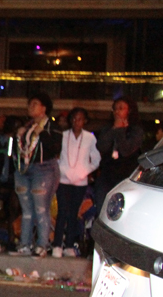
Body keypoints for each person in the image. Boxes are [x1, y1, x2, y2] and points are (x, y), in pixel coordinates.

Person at [12, 92, 61, 257]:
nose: (30, 107)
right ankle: (24, 244)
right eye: (29, 104)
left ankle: (42, 244)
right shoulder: (26, 127)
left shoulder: (52, 127)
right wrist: (19, 135)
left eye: (35, 104)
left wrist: (40, 133)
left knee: (41, 208)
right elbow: (16, 151)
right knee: (26, 209)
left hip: (44, 169)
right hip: (24, 170)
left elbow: (55, 149)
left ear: (44, 108)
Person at [53, 107, 100, 257]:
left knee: (74, 213)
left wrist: (84, 171)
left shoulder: (89, 138)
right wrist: (62, 169)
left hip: (80, 182)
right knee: (62, 211)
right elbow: (57, 155)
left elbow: (96, 158)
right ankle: (57, 245)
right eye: (74, 118)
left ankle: (69, 246)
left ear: (85, 121)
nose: (76, 122)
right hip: (63, 180)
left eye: (80, 119)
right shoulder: (63, 135)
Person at [94, 96, 145, 211]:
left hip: (126, 177)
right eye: (115, 109)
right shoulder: (108, 129)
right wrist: (114, 130)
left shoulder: (136, 130)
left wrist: (121, 130)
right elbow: (101, 146)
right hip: (107, 175)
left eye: (121, 108)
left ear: (129, 111)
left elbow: (126, 150)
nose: (117, 112)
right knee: (102, 208)